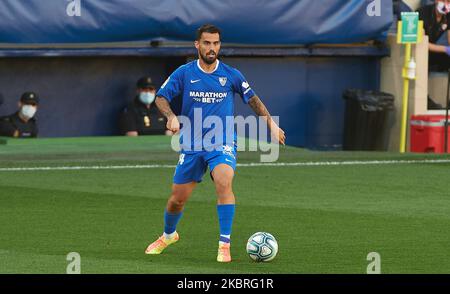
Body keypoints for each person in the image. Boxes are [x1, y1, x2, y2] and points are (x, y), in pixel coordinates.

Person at [144, 24, 285, 262]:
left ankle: (224, 245)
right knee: (177, 200)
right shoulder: (184, 73)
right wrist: (170, 117)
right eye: (207, 43)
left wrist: (271, 124)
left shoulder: (231, 74)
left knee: (223, 179)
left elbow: (253, 100)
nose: (212, 48)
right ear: (197, 45)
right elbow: (161, 97)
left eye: (216, 43)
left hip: (222, 140)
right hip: (192, 143)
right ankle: (169, 235)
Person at [418, 0, 450, 72]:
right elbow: (422, 43)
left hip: (434, 51)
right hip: (420, 50)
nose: (445, 4)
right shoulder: (422, 13)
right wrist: (446, 49)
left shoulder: (448, 15)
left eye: (448, 1)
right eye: (442, 0)